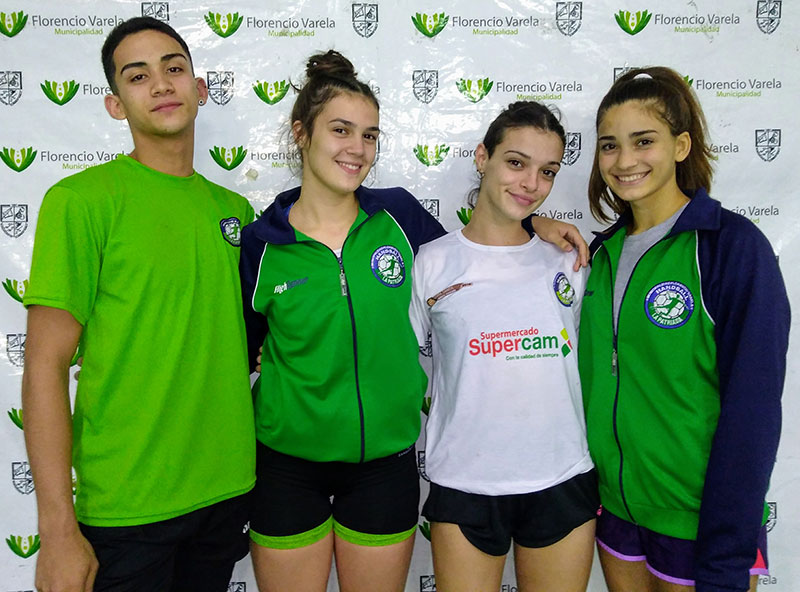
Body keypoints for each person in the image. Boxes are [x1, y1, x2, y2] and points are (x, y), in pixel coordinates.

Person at [238, 52, 589, 592]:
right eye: (340, 130)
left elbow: (478, 254)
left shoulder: (400, 218)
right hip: (287, 466)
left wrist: (535, 221)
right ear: (301, 133)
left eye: (370, 135)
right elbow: (246, 348)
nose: (357, 148)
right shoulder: (260, 244)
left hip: (384, 467)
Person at [21, 17, 255, 592]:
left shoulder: (236, 212)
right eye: (138, 75)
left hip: (227, 494)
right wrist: (57, 530)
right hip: (127, 506)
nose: (161, 84)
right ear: (115, 104)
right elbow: (45, 365)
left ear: (200, 88)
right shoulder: (80, 201)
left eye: (174, 68)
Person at [578, 67, 789, 592]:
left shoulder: (730, 246)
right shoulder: (598, 255)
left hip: (701, 523)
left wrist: (728, 547)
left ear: (681, 145)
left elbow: (754, 409)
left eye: (643, 140)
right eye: (609, 145)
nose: (624, 161)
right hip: (616, 514)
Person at [408, 101, 598, 592]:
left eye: (547, 171)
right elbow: (395, 359)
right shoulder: (431, 262)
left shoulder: (570, 260)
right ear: (482, 157)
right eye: (516, 162)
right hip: (465, 483)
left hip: (561, 477)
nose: (531, 183)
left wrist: (538, 227)